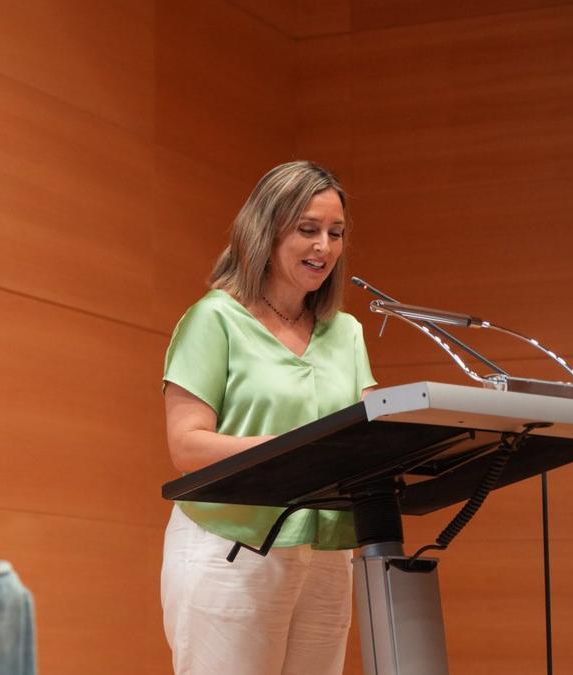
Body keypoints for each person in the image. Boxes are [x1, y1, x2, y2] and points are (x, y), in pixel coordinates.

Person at [161, 160, 376, 675]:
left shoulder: (345, 332)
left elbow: (372, 433)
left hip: (326, 554)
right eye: (308, 229)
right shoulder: (215, 319)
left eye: (336, 233)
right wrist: (291, 449)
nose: (324, 246)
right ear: (266, 229)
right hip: (232, 547)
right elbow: (187, 446)